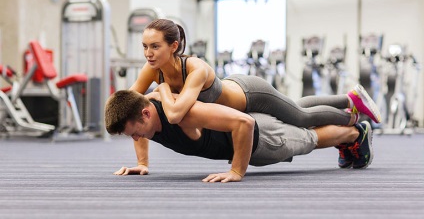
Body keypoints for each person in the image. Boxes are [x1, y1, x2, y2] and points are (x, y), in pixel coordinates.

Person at [130, 18, 380, 173]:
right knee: (295, 105)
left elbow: (175, 113)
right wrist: (142, 163)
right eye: (144, 47)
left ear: (173, 47)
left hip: (250, 95)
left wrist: (161, 91)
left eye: (155, 46)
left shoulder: (194, 67)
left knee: (300, 116)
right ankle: (349, 98)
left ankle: (352, 116)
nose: (148, 53)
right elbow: (128, 106)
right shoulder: (151, 70)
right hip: (237, 106)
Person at [105, 90, 373, 183]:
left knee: (309, 139)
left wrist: (236, 170)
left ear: (146, 114)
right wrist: (142, 164)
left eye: (135, 132)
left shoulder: (182, 115)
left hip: (260, 138)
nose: (137, 138)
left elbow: (244, 123)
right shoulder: (148, 110)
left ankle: (354, 132)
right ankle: (347, 103)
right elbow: (140, 135)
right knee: (297, 109)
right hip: (248, 125)